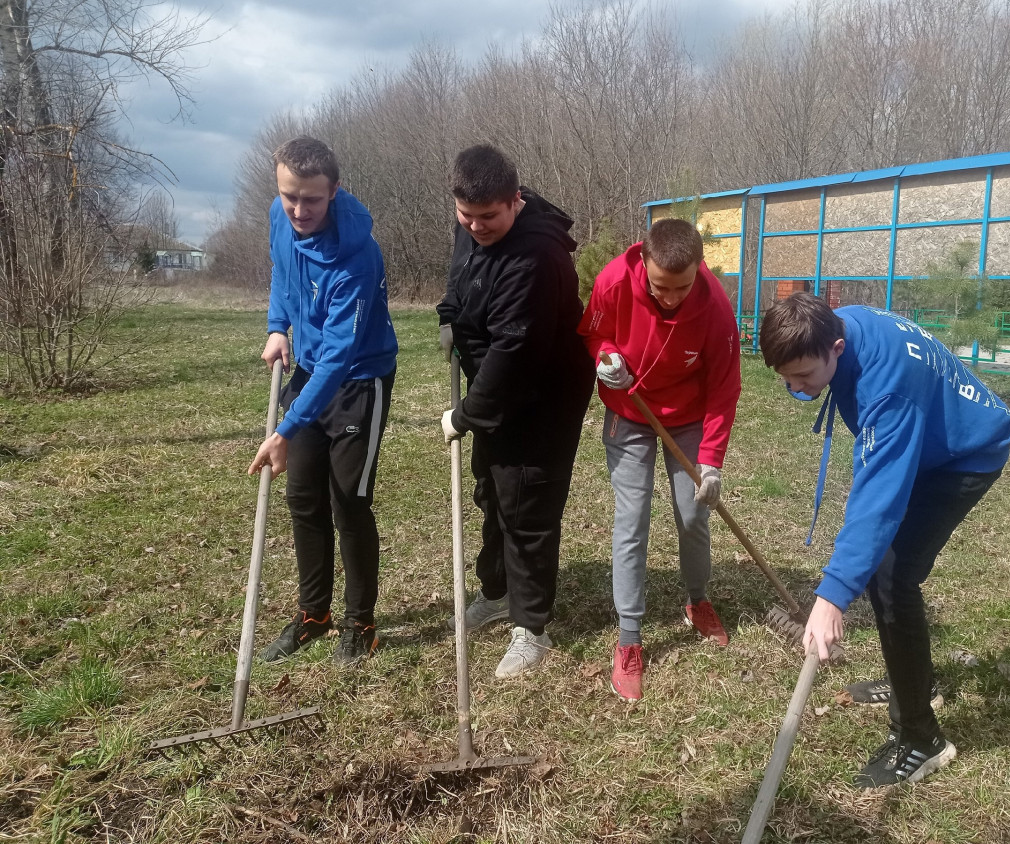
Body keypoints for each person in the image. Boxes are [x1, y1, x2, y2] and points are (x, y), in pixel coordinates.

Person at [758, 292, 1010, 787]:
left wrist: (832, 597)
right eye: (785, 378)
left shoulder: (887, 389)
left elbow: (878, 500)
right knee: (886, 572)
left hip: (965, 455)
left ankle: (921, 737)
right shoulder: (838, 324)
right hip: (927, 438)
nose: (795, 388)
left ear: (836, 347)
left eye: (803, 376)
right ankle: (915, 684)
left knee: (893, 577)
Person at [436, 144, 593, 680]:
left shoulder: (537, 257)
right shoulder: (473, 223)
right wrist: (449, 316)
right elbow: (461, 274)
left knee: (527, 505)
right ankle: (498, 592)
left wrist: (465, 415)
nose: (475, 226)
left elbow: (514, 354)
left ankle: (531, 628)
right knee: (492, 491)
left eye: (488, 217)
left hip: (543, 396)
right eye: (466, 215)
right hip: (497, 388)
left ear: (514, 200)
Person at [578, 218, 742, 703]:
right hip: (629, 411)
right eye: (660, 286)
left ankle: (697, 601)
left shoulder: (715, 306)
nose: (670, 298)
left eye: (681, 287)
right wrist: (606, 356)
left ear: (699, 269)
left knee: (693, 514)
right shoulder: (613, 280)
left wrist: (711, 461)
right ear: (644, 264)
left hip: (687, 419)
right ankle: (629, 638)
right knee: (632, 519)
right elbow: (593, 333)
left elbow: (725, 387)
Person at [249, 135, 398, 666]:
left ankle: (361, 623)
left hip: (358, 379)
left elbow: (339, 359)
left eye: (311, 199)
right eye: (289, 195)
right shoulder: (280, 215)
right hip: (309, 368)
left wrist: (285, 430)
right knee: (302, 498)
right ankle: (314, 614)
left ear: (334, 190)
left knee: (347, 501)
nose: (298, 210)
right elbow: (282, 269)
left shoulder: (357, 257)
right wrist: (278, 326)